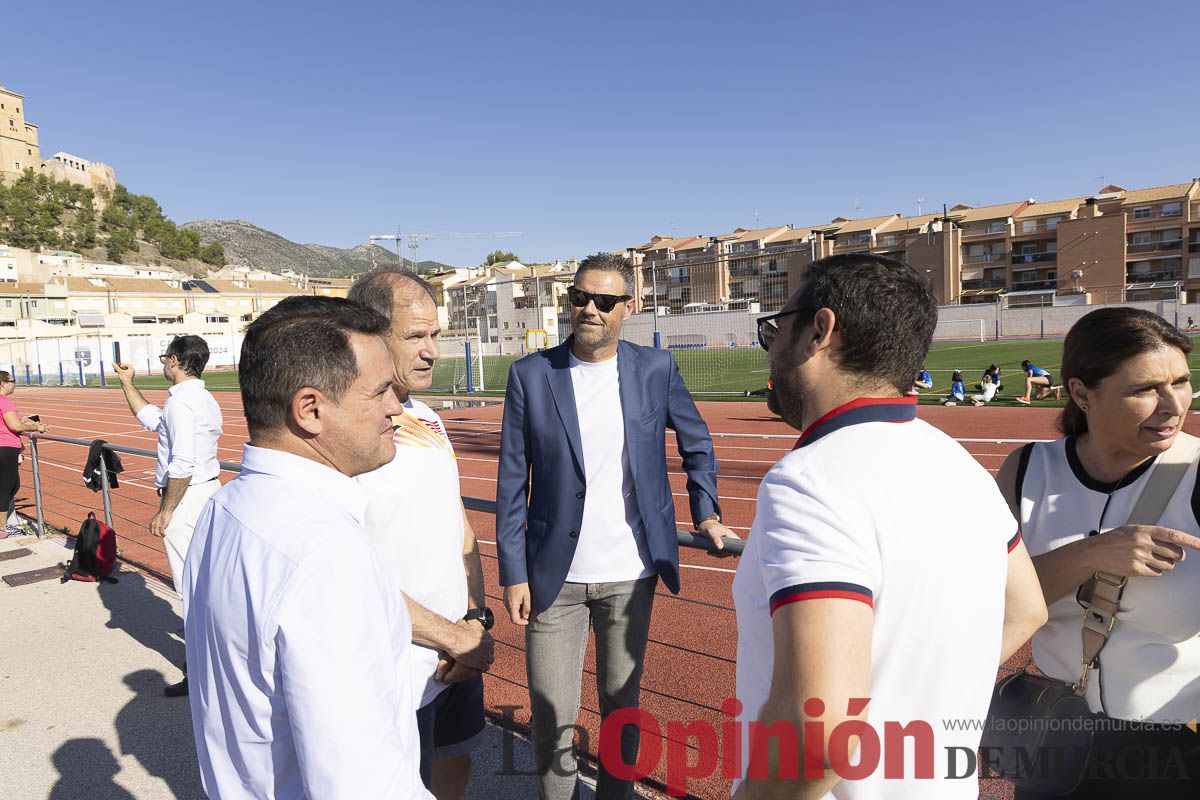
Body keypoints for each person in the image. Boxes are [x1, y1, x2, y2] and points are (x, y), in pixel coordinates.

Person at [733, 254, 1047, 799]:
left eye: (776, 328)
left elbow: (820, 738)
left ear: (819, 330)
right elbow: (1027, 609)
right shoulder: (959, 462)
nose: (773, 345)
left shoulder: (810, 482)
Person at [496, 252, 737, 800]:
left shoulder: (656, 369)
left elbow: (696, 442)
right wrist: (513, 572)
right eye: (580, 298)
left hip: (631, 575)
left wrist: (706, 510)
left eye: (604, 301)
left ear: (629, 307)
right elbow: (512, 482)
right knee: (551, 713)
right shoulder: (531, 375)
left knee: (620, 710)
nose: (589, 309)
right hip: (552, 579)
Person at [182, 296, 432, 800]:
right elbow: (361, 783)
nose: (396, 408)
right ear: (311, 409)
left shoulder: (221, 509)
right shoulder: (327, 555)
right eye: (380, 391)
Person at [995, 307, 1200, 798]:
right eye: (1144, 389)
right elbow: (992, 604)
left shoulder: (1196, 473)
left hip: (1174, 749)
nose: (1173, 405)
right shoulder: (1026, 470)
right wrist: (1091, 555)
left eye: (1182, 382)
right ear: (1082, 393)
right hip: (1051, 735)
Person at [349, 267, 494, 799]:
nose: (433, 351)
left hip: (460, 649)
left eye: (436, 335)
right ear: (369, 333)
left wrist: (475, 619)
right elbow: (348, 569)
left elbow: (459, 525)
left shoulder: (428, 416)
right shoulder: (348, 434)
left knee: (456, 765)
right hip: (399, 661)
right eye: (416, 337)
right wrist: (451, 638)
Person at [113, 335, 222, 697]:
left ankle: (201, 676)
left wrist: (166, 509)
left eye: (164, 358)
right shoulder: (203, 399)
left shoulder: (180, 405)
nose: (163, 364)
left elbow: (182, 463)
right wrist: (128, 384)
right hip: (208, 492)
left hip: (187, 499)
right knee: (211, 586)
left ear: (174, 360)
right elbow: (152, 420)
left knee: (192, 590)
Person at [0, 370, 47, 538]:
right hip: (5, 447)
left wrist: (25, 422)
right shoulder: (5, 401)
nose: (15, 384)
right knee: (7, 487)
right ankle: (2, 529)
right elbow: (15, 426)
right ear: (3, 383)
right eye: (12, 381)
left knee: (11, 485)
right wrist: (36, 427)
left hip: (4, 447)